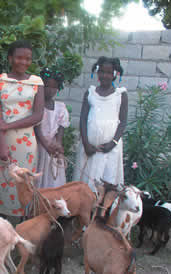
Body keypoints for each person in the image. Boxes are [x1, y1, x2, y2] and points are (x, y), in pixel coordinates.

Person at [0, 40, 45, 217]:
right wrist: (3, 145)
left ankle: (23, 224)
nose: (23, 62)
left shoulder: (37, 82)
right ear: (10, 58)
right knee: (2, 182)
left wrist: (9, 125)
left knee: (24, 183)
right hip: (3, 140)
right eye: (19, 58)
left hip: (26, 144)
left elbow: (38, 116)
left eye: (28, 59)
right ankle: (0, 226)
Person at [73, 56, 128, 193]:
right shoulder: (90, 93)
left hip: (110, 151)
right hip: (89, 150)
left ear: (115, 74)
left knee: (106, 185)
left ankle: (102, 213)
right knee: (86, 185)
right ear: (97, 72)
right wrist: (86, 143)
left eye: (109, 73)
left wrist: (113, 143)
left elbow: (123, 122)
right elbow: (83, 119)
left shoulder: (120, 95)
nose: (105, 75)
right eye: (102, 72)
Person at [34, 67, 70, 188]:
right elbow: (36, 127)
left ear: (58, 88)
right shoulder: (36, 105)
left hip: (52, 147)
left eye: (54, 87)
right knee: (38, 172)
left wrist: (58, 144)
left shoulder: (60, 107)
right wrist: (44, 143)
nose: (50, 90)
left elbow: (61, 129)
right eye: (47, 86)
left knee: (52, 176)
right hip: (38, 145)